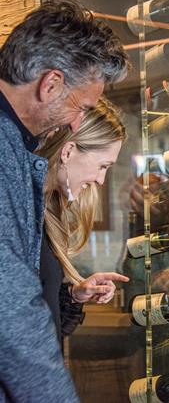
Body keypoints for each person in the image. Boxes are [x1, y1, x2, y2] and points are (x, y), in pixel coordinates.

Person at [0, 1, 128, 402]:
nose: (76, 123)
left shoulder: (17, 149)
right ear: (51, 83)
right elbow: (11, 307)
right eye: (82, 107)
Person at [36, 98, 129, 342]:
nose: (101, 180)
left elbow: (47, 327)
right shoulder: (19, 212)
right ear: (67, 152)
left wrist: (74, 295)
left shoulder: (42, 215)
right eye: (102, 166)